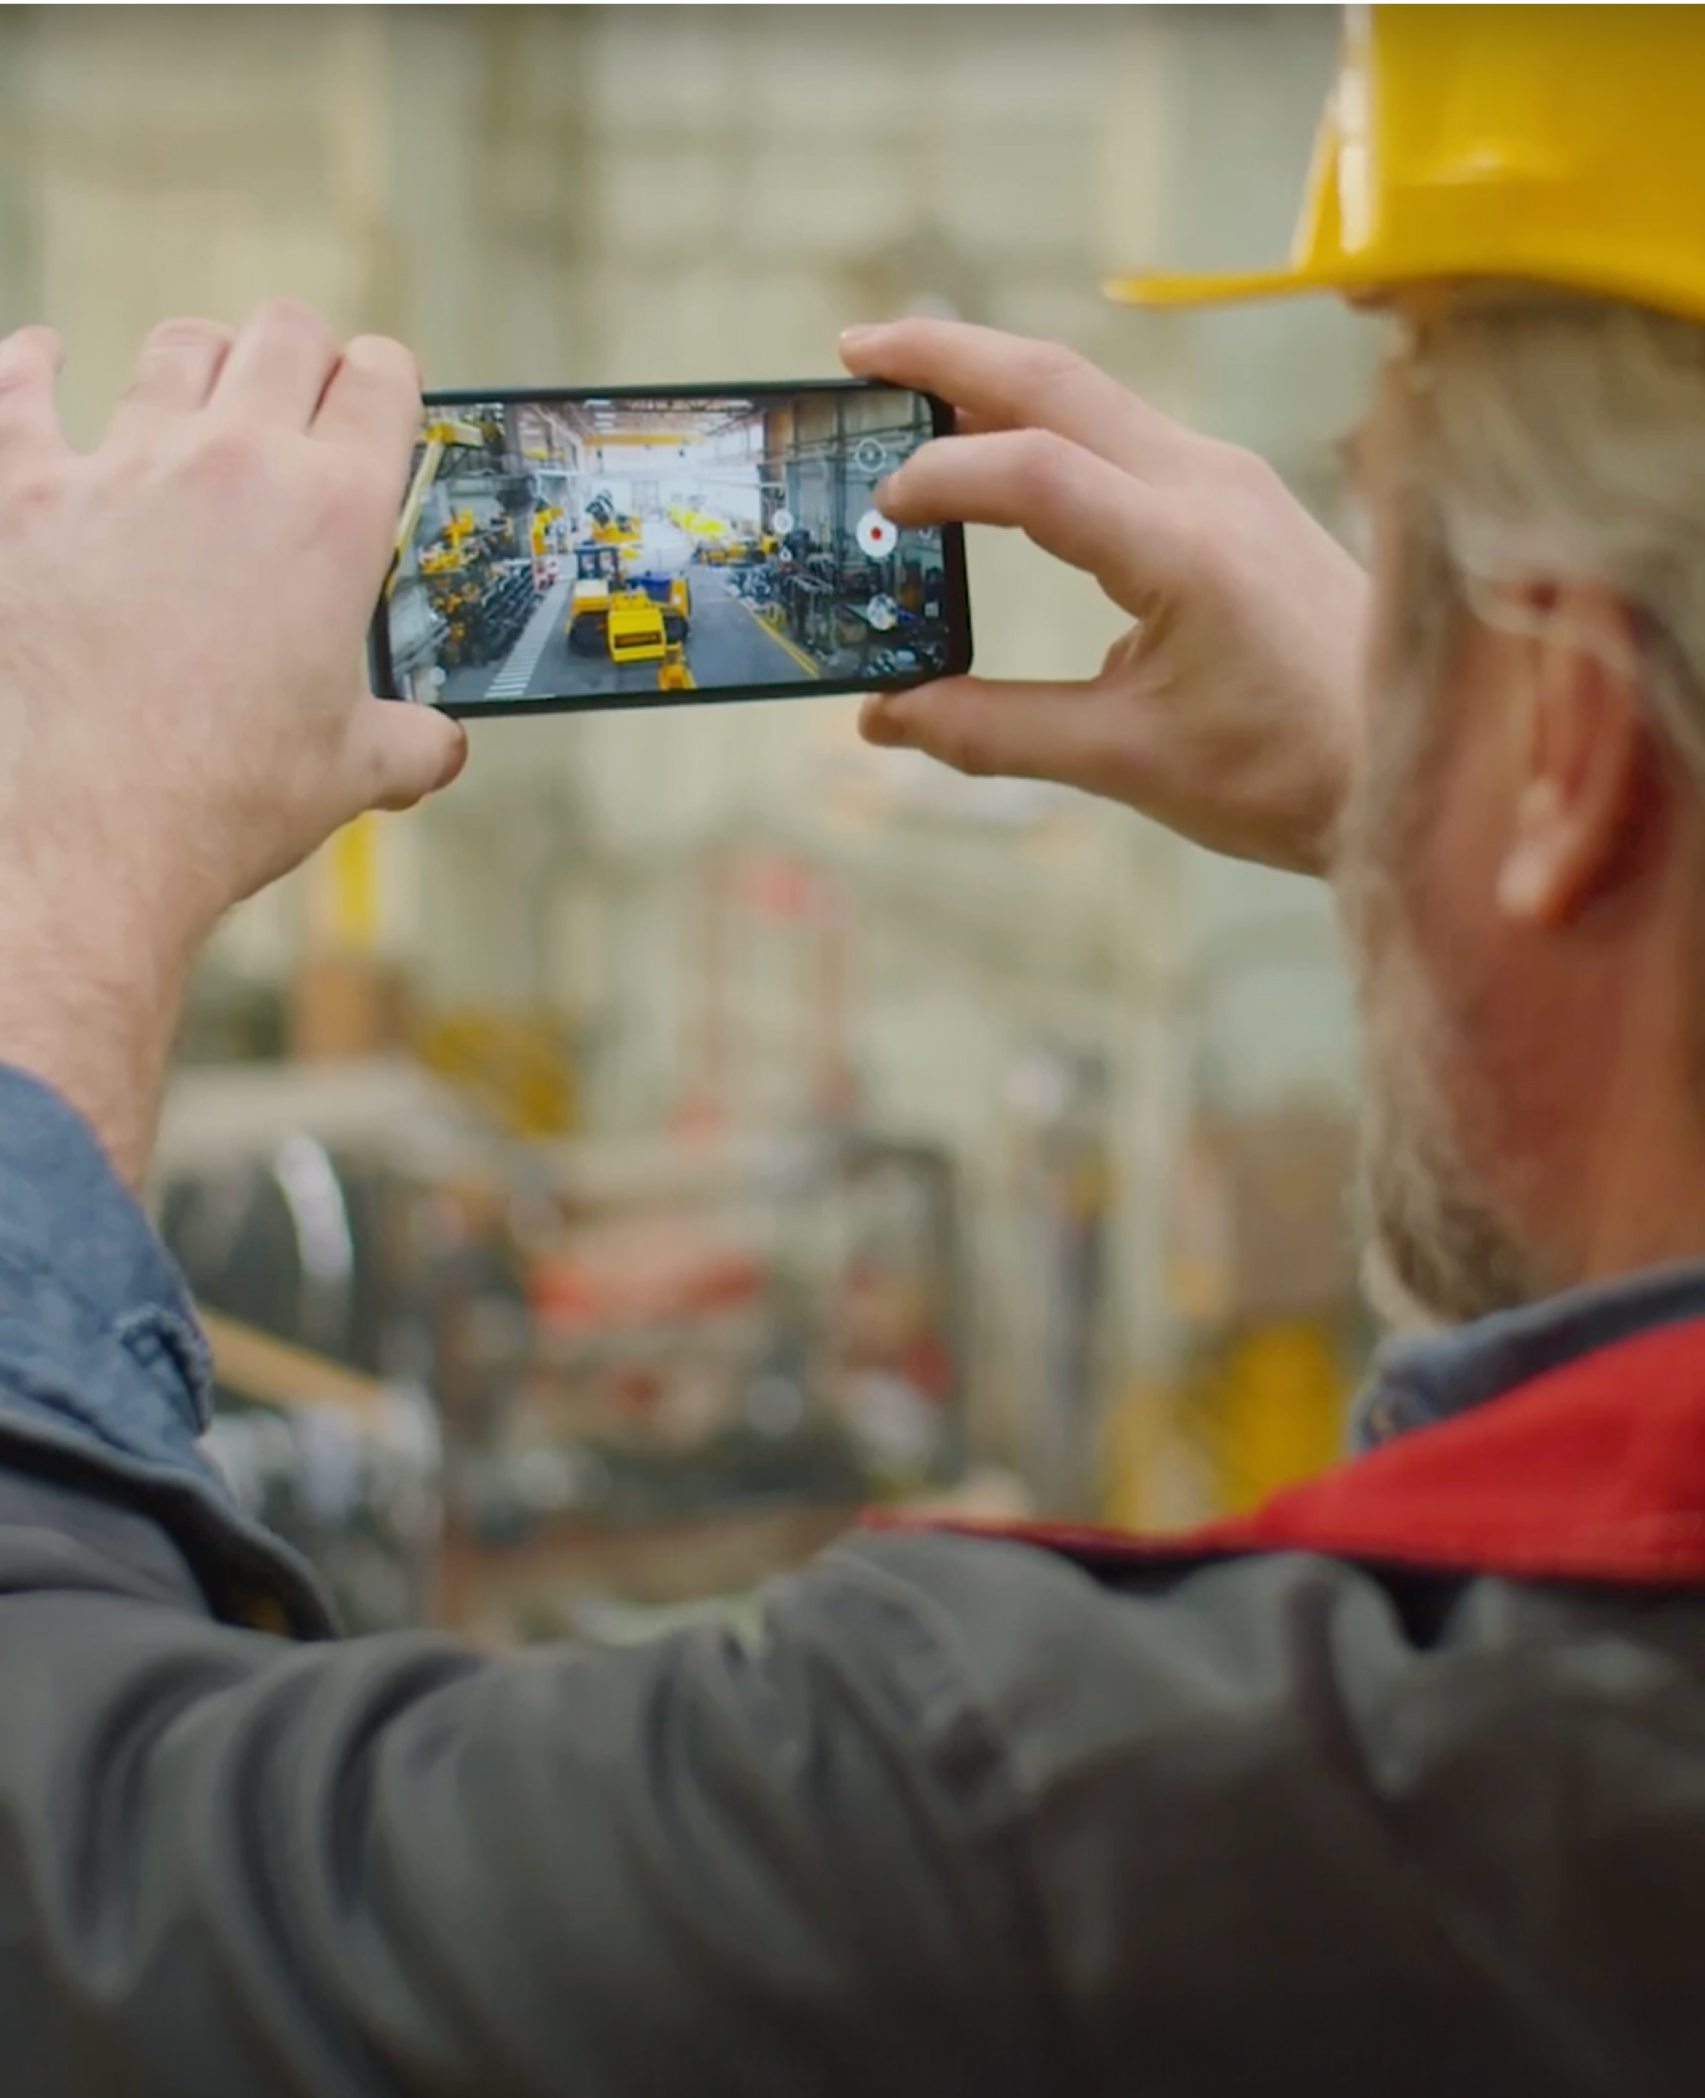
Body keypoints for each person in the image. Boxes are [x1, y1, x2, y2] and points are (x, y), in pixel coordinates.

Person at [3, 8, 1705, 2092]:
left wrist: (57, 867)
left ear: (1576, 742)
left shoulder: (1107, 1820)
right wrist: (1459, 796)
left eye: (1408, 605)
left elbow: (81, 1897)